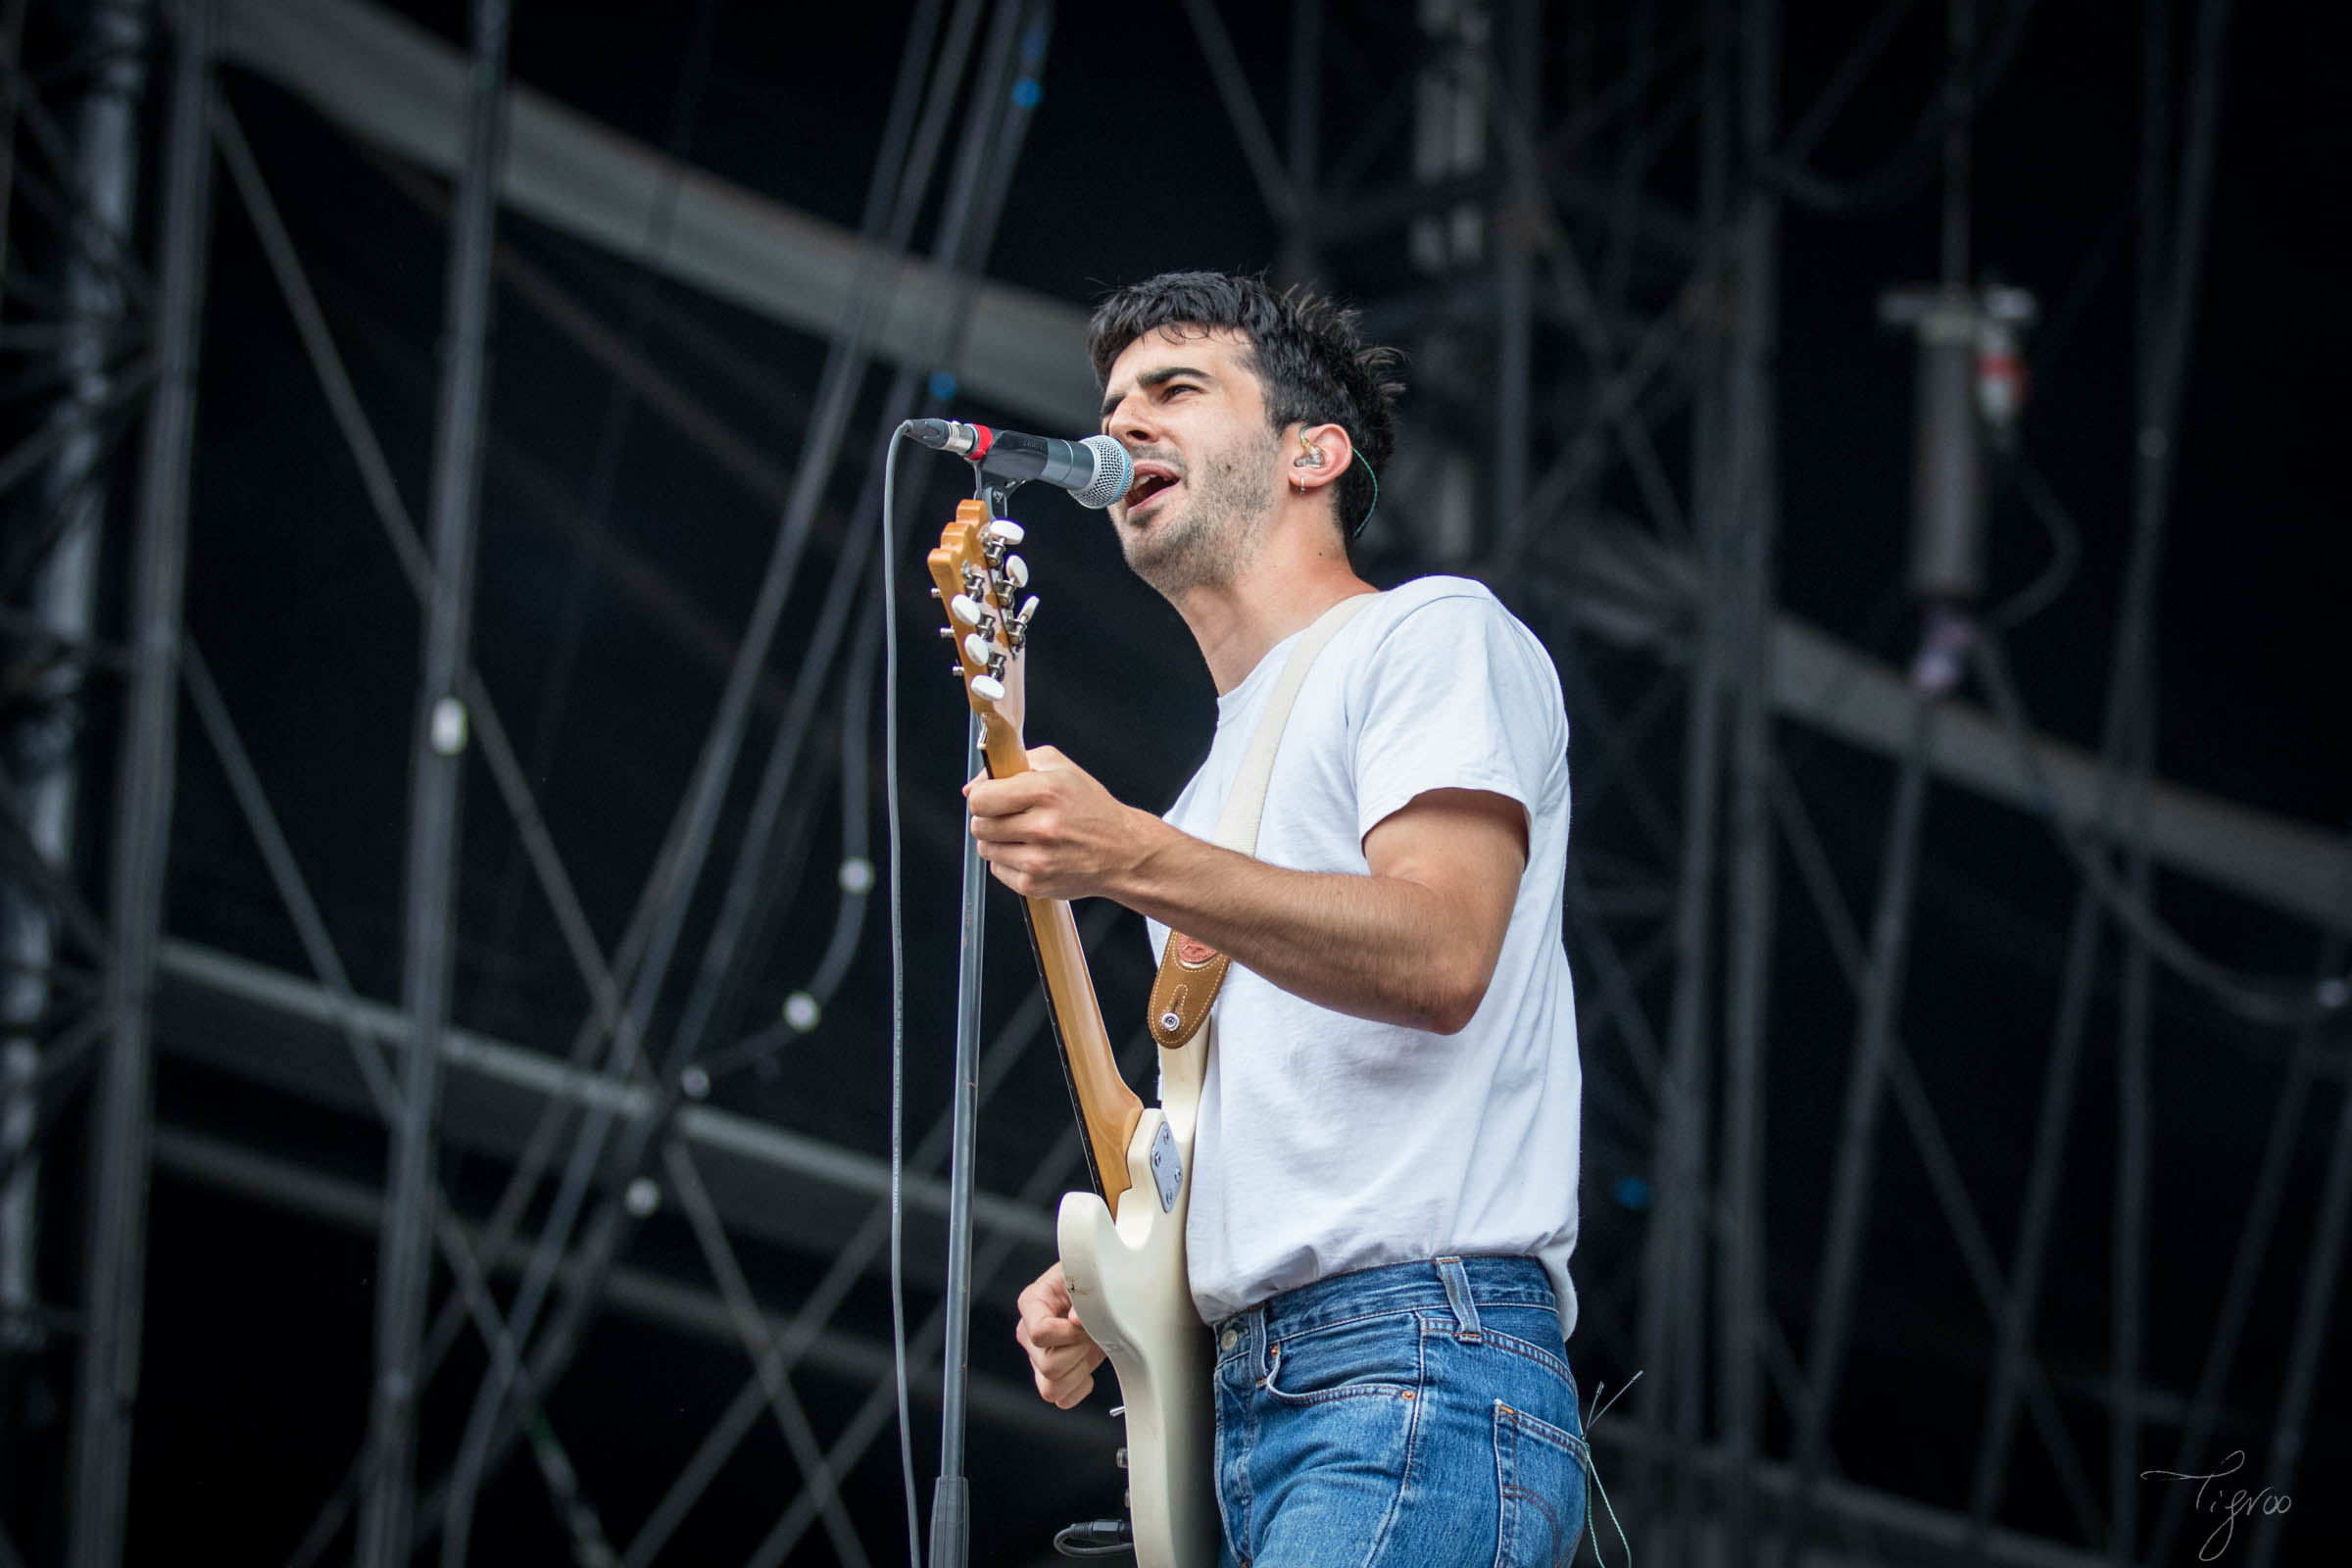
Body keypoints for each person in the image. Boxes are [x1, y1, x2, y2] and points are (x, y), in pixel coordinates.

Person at [975, 271, 1586, 1567]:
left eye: (1178, 390)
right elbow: (1286, 1122)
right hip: (1262, 1396)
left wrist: (1135, 854)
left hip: (1413, 1362)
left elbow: (1439, 954)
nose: (1128, 420)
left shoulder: (1429, 638)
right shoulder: (1210, 793)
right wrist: (1138, 1279)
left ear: (1316, 453)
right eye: (1116, 399)